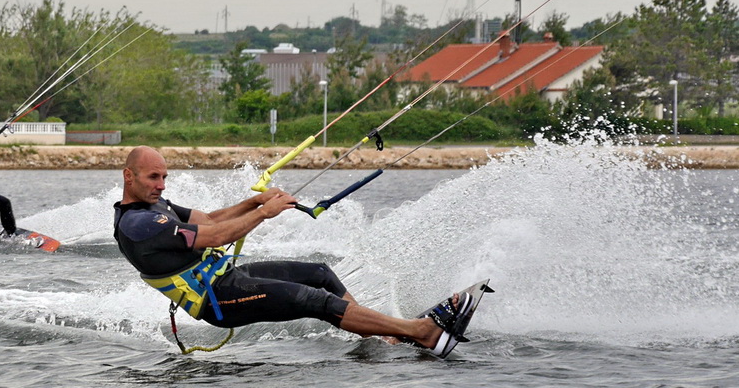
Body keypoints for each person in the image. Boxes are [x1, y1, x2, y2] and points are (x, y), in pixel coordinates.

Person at [112, 146, 473, 356]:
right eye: (152, 178)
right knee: (312, 300)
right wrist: (264, 215)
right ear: (130, 176)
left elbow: (209, 218)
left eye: (164, 177)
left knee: (318, 274)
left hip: (227, 279)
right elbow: (215, 237)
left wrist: (254, 201)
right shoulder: (137, 223)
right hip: (216, 300)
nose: (160, 185)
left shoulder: (158, 206)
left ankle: (388, 335)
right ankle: (420, 332)